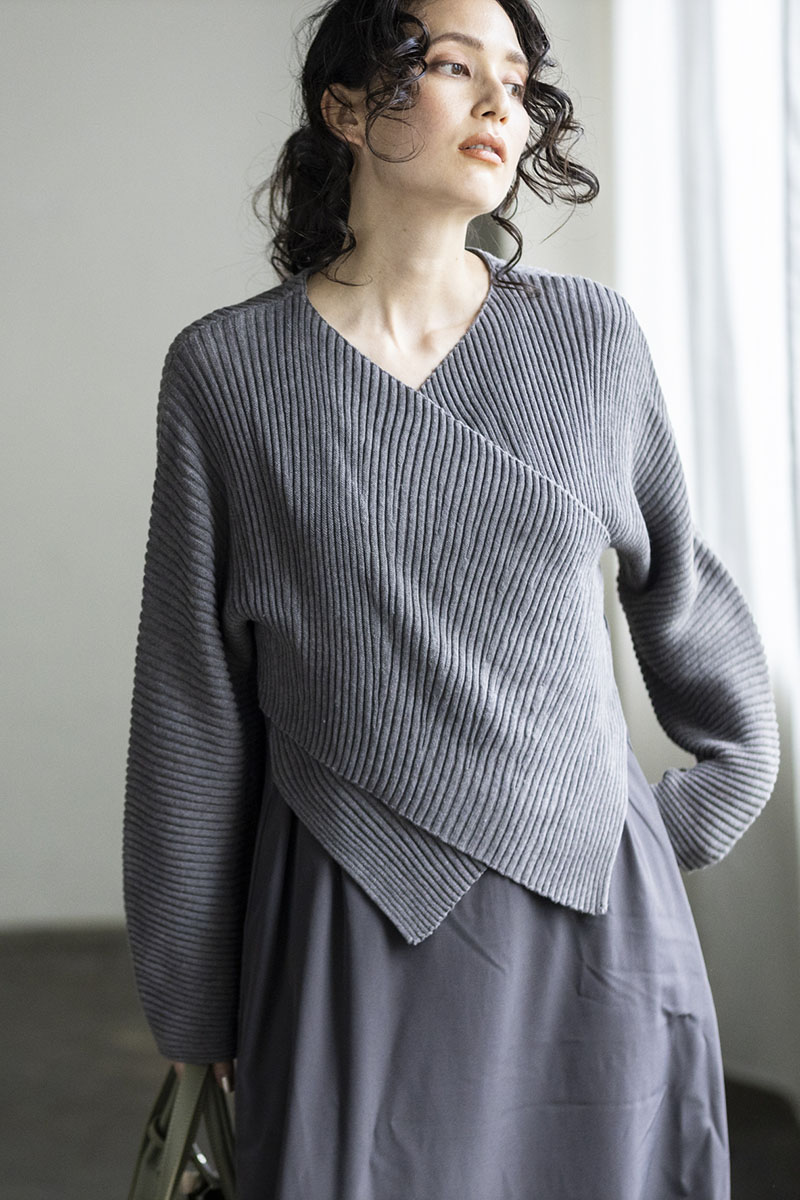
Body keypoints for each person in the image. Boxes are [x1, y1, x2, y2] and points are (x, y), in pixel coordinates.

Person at [122, 0, 781, 1196]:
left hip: (592, 923)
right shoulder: (227, 374)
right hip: (350, 910)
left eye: (516, 81)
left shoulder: (590, 340)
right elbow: (191, 707)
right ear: (344, 107)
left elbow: (679, 595)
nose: (496, 104)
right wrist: (191, 1002)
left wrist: (657, 825)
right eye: (448, 66)